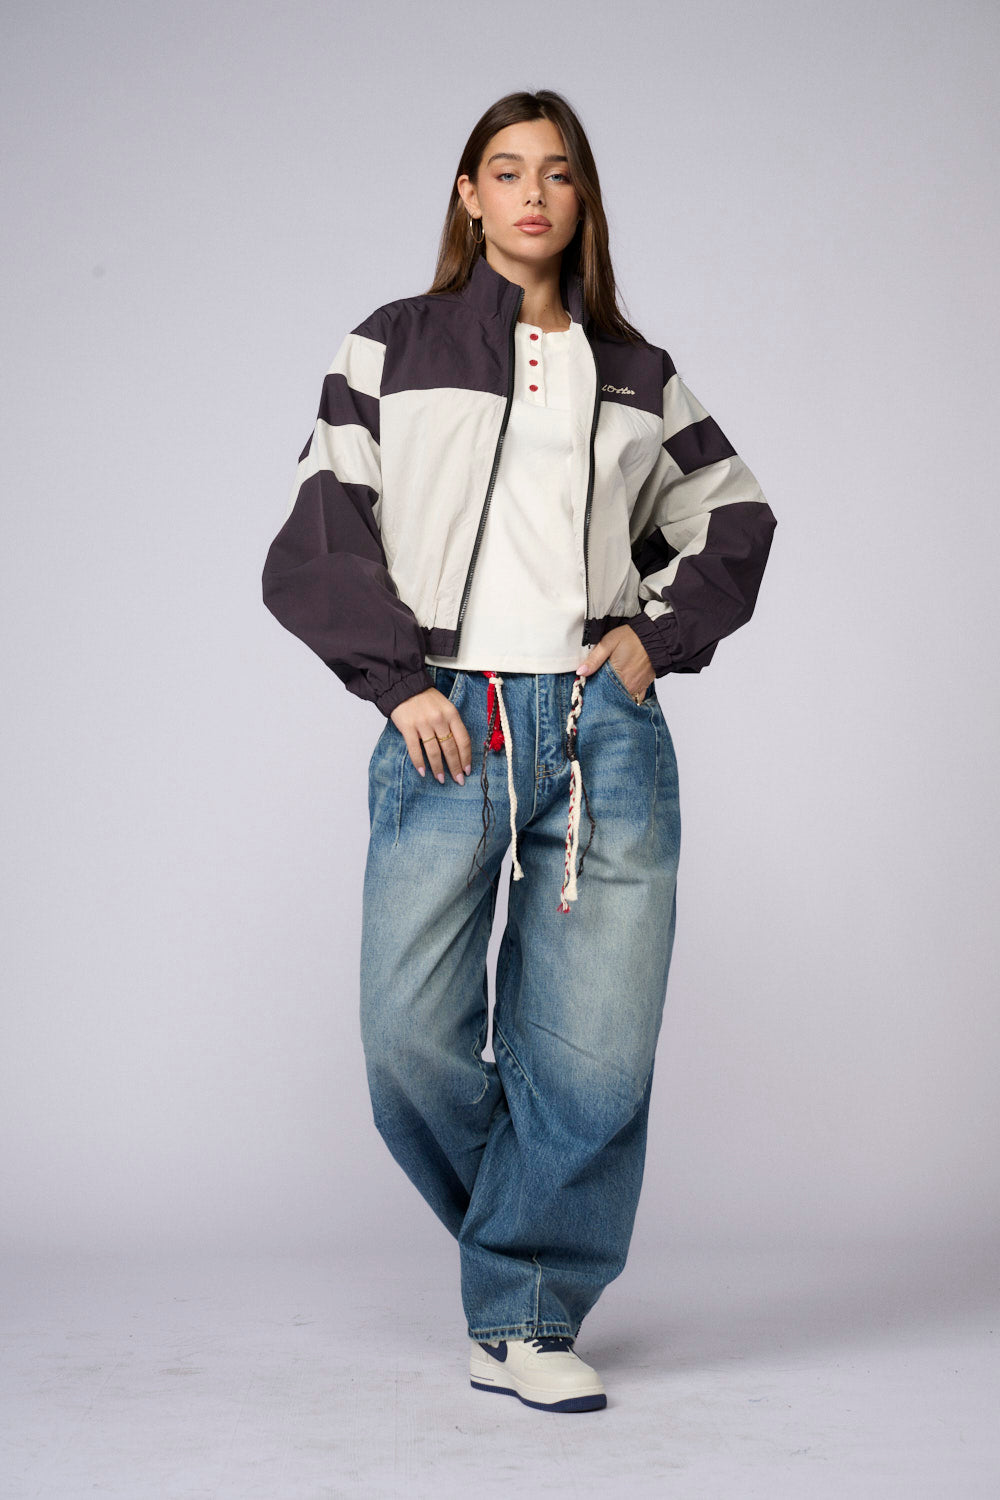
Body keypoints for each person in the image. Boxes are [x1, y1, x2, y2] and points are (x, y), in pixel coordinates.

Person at [261, 88, 777, 1414]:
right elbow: (321, 527)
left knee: (593, 1056)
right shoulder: (395, 343)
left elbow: (734, 514)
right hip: (450, 719)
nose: (532, 193)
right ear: (468, 194)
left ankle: (529, 1311)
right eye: (506, 170)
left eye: (556, 172)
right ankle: (529, 1232)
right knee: (405, 1039)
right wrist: (397, 685)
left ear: (581, 197)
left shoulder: (638, 370)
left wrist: (654, 641)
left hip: (603, 733)